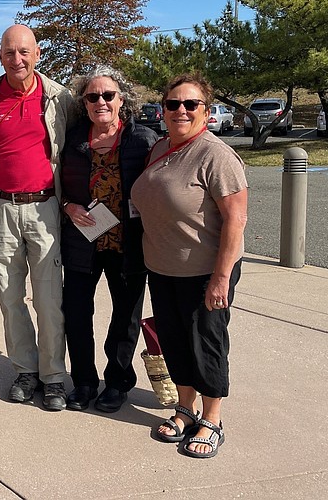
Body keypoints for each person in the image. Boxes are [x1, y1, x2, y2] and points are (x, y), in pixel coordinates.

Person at [131, 73, 248, 459]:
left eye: (190, 104)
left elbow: (236, 220)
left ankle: (212, 418)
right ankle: (185, 407)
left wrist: (221, 278)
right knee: (176, 342)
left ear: (206, 110)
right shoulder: (159, 148)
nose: (180, 110)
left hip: (205, 272)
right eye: (172, 104)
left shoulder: (216, 155)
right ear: (162, 109)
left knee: (207, 344)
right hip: (162, 268)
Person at [0, 24, 76, 411]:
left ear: (38, 53)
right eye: (10, 52)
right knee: (9, 297)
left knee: (48, 300)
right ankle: (24, 371)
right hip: (0, 209)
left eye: (24, 52)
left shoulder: (60, 98)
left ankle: (52, 377)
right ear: (0, 56)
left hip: (46, 207)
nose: (18, 59)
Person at [60, 65, 158, 413]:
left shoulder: (143, 140)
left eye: (107, 95)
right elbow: (57, 187)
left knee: (125, 317)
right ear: (84, 103)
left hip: (127, 245)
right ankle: (84, 381)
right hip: (82, 242)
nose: (100, 101)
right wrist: (68, 205)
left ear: (122, 100)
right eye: (92, 96)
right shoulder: (72, 141)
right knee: (76, 314)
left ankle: (117, 383)